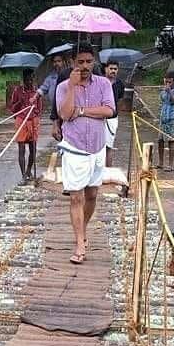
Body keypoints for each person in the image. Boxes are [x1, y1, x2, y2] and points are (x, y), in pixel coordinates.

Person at [56, 44, 115, 264]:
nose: (85, 66)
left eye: (89, 61)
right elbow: (65, 114)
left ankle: (83, 230)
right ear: (73, 62)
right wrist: (72, 87)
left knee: (92, 195)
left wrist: (82, 111)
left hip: (97, 147)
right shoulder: (63, 87)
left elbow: (109, 110)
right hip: (74, 147)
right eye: (80, 62)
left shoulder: (103, 84)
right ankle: (79, 242)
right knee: (76, 196)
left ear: (94, 62)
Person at [10, 69, 42, 183]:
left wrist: (34, 112)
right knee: (21, 149)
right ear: (23, 80)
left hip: (33, 121)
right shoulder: (17, 91)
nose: (29, 82)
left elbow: (39, 109)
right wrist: (20, 102)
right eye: (27, 80)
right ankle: (23, 175)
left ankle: (29, 171)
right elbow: (12, 109)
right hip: (21, 121)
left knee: (33, 150)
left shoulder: (36, 92)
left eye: (31, 79)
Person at [157, 70, 174, 172]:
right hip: (163, 118)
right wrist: (165, 91)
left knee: (171, 141)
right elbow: (162, 100)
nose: (167, 84)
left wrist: (170, 93)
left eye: (170, 82)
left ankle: (170, 165)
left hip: (172, 118)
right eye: (166, 82)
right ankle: (160, 163)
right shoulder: (163, 90)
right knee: (160, 141)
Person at [103, 60, 126, 166]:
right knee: (97, 145)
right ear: (106, 69)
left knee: (109, 145)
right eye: (111, 68)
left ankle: (108, 170)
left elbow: (120, 100)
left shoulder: (120, 84)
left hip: (112, 118)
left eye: (115, 69)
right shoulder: (100, 82)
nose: (113, 71)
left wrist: (115, 113)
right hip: (99, 117)